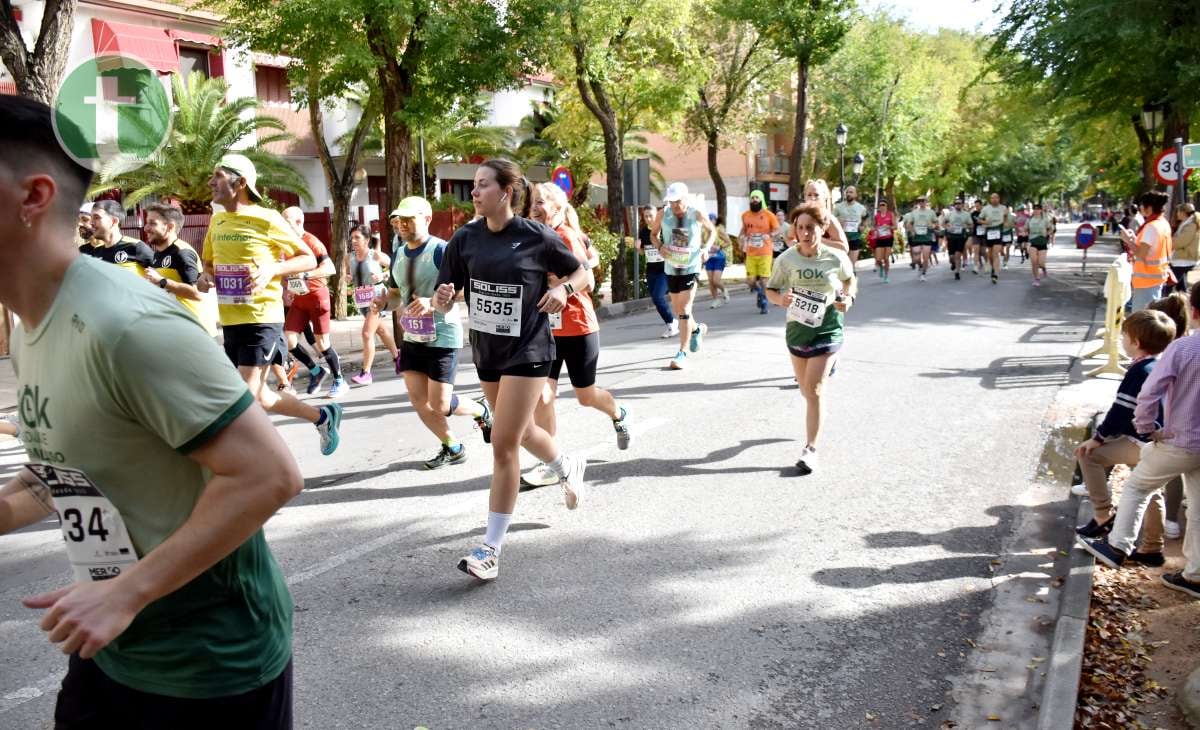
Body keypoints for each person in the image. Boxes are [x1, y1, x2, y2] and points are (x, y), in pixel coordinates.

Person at [0, 94, 299, 729]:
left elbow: (268, 475)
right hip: (112, 642)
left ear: (33, 197)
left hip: (210, 665)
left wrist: (126, 593)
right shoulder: (31, 326)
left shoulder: (126, 325)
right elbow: (61, 473)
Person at [433, 158, 591, 581]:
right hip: (487, 350)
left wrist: (563, 289)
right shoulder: (464, 240)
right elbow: (443, 297)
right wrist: (444, 298)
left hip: (529, 349)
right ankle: (566, 465)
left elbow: (583, 273)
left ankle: (491, 548)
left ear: (506, 192)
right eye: (475, 185)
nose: (475, 192)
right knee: (518, 432)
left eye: (483, 185)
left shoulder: (536, 236)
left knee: (503, 444)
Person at [197, 153, 342, 455]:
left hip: (262, 318)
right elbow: (209, 266)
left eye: (218, 176)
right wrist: (204, 278)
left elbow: (306, 257)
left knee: (243, 397)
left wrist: (272, 269)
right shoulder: (218, 220)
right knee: (261, 396)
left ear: (241, 183)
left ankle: (254, 465)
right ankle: (323, 416)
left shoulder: (268, 219)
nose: (211, 182)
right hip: (232, 319)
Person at [1078, 282, 1200, 600]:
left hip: (1180, 440)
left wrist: (1148, 429)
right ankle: (1194, 573)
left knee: (1138, 486)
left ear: (1195, 311)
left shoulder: (1183, 349)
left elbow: (1148, 395)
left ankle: (1117, 545)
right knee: (1198, 508)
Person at [519, 182, 630, 487]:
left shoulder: (566, 236)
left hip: (578, 326)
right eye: (532, 204)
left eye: (541, 202)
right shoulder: (534, 238)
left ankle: (619, 412)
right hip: (548, 330)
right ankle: (550, 461)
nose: (535, 209)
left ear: (556, 206)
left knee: (586, 396)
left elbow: (589, 282)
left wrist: (561, 281)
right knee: (543, 395)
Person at [380, 196, 493, 470]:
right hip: (412, 337)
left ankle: (481, 410)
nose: (402, 224)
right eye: (399, 219)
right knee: (419, 399)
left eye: (409, 219)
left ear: (427, 219)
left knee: (440, 403)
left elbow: (467, 288)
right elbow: (396, 296)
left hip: (443, 335)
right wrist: (383, 301)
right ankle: (451, 445)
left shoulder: (442, 250)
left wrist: (433, 303)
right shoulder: (398, 254)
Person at [1072, 309, 1176, 567]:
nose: (1122, 340)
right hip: (1160, 441)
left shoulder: (1138, 371)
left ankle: (1102, 515)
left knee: (1089, 456)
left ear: (1136, 343)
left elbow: (1121, 410)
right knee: (1151, 491)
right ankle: (1152, 547)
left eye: (1124, 336)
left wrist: (1098, 437)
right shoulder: (1162, 365)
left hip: (1140, 441)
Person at [764, 202, 857, 475]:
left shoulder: (834, 257)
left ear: (822, 228)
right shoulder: (787, 259)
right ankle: (826, 375)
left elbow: (850, 280)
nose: (804, 233)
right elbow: (771, 289)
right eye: (800, 228)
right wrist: (780, 299)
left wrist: (848, 298)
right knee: (807, 391)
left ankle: (811, 450)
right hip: (797, 331)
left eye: (810, 228)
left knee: (814, 390)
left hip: (827, 329)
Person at [279, 207, 344, 397]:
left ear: (299, 222)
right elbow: (287, 272)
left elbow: (330, 268)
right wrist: (288, 287)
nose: (283, 225)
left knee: (322, 343)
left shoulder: (312, 241)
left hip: (317, 298)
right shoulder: (287, 244)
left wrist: (306, 274)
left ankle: (339, 380)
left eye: (286, 221)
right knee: (288, 340)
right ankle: (316, 371)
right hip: (299, 299)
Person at [654, 182, 718, 367]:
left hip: (691, 266)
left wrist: (706, 248)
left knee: (685, 309)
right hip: (671, 267)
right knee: (679, 309)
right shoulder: (663, 214)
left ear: (685, 198)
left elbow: (711, 231)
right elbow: (653, 234)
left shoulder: (695, 213)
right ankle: (696, 330)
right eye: (671, 201)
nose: (674, 205)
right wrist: (660, 246)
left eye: (677, 201)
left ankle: (681, 353)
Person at [139, 203, 213, 334]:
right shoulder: (158, 254)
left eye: (152, 223)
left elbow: (196, 294)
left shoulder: (182, 252)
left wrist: (162, 281)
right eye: (146, 223)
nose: (146, 228)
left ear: (170, 227)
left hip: (193, 330)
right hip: (173, 328)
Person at [347, 224, 398, 385]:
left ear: (367, 240)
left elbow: (396, 268)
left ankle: (366, 373)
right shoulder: (349, 257)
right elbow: (348, 275)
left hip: (377, 298)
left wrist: (383, 275)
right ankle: (398, 357)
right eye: (352, 237)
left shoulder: (375, 255)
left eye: (357, 237)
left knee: (367, 334)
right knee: (381, 331)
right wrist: (348, 278)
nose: (353, 240)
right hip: (361, 299)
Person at [1121, 190, 1173, 311]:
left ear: (1149, 208)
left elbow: (1141, 254)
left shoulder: (1151, 227)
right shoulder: (1163, 223)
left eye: (1142, 206)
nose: (1140, 209)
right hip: (1157, 276)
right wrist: (1134, 239)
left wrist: (1128, 241)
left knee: (1142, 320)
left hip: (1146, 280)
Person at [740, 189, 780, 314]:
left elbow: (777, 230)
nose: (754, 200)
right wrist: (742, 237)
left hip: (765, 252)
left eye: (757, 198)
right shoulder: (745, 215)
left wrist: (770, 235)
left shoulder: (769, 215)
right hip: (751, 252)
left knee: (764, 279)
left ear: (761, 199)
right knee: (750, 281)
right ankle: (759, 293)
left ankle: (764, 302)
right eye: (752, 198)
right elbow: (743, 230)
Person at [87, 199, 154, 275]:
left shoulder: (136, 246)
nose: (91, 223)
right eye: (91, 218)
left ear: (114, 221)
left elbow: (160, 278)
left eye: (96, 217)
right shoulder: (96, 251)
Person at [639, 205, 677, 338]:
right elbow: (644, 252)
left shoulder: (665, 229)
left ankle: (672, 323)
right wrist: (638, 249)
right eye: (646, 216)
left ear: (657, 215)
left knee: (658, 297)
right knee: (656, 299)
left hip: (665, 270)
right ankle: (671, 324)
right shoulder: (643, 232)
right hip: (651, 270)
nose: (648, 218)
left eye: (651, 215)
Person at [902, 195, 937, 282]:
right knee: (916, 257)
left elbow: (936, 223)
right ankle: (920, 266)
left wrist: (933, 226)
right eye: (920, 201)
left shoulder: (931, 212)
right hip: (916, 237)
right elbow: (909, 224)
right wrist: (912, 230)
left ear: (926, 202)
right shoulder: (914, 212)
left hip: (927, 236)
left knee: (925, 257)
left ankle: (923, 274)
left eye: (923, 201)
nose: (921, 202)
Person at [833, 185, 869, 265]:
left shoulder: (860, 208)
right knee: (842, 263)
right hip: (842, 237)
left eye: (851, 192)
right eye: (847, 192)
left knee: (851, 265)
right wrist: (838, 221)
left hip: (855, 236)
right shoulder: (839, 207)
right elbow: (831, 219)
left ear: (855, 194)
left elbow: (866, 217)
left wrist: (863, 226)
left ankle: (852, 274)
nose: (848, 194)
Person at [979, 192, 1007, 284]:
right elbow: (979, 219)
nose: (994, 199)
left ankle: (996, 274)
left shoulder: (1003, 208)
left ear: (999, 199)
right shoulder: (986, 208)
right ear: (990, 199)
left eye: (996, 198)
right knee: (990, 255)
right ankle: (993, 269)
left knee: (995, 253)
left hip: (999, 231)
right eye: (992, 198)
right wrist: (985, 222)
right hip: (989, 232)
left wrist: (1005, 223)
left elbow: (1006, 217)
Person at [705, 213, 733, 307]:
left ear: (715, 221)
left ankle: (724, 290)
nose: (709, 221)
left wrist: (719, 247)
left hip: (719, 258)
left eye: (711, 219)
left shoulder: (719, 230)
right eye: (708, 219)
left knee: (715, 280)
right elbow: (700, 242)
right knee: (710, 281)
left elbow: (728, 242)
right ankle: (716, 300)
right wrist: (705, 247)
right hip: (708, 258)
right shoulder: (704, 230)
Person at [1170, 203, 1198, 294]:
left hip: (1184, 259)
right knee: (1180, 287)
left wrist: (1170, 243)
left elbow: (1180, 242)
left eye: (1178, 211)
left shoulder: (1191, 225)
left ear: (1183, 212)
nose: (1177, 214)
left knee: (1169, 284)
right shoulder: (1187, 223)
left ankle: (1164, 303)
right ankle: (1185, 303)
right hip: (1183, 258)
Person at [942, 198, 972, 280]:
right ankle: (953, 263)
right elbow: (943, 223)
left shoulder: (966, 214)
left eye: (959, 203)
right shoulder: (950, 214)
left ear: (962, 205)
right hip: (951, 236)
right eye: (956, 203)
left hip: (961, 237)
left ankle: (957, 272)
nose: (958, 205)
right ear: (954, 205)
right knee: (952, 257)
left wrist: (967, 226)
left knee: (958, 255)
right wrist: (948, 227)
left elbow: (971, 225)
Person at [869, 200, 896, 282]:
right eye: (880, 205)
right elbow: (873, 227)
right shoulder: (877, 216)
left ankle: (886, 276)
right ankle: (881, 268)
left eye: (883, 205)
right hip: (879, 239)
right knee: (878, 259)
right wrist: (874, 230)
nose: (882, 206)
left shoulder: (890, 214)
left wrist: (888, 227)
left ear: (886, 206)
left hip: (888, 238)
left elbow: (895, 226)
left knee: (886, 258)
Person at [1026, 202, 1051, 286]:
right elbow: (1025, 229)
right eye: (1035, 209)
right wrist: (1023, 232)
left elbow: (1051, 229)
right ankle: (1036, 278)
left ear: (1041, 210)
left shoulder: (1045, 219)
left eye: (1038, 209)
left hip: (1042, 242)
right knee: (1033, 261)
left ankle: (1043, 268)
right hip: (1032, 242)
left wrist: (1047, 234)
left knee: (1041, 263)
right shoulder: (1029, 219)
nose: (1036, 210)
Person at [969, 199, 985, 275]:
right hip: (976, 234)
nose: (977, 207)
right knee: (976, 251)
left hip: (984, 235)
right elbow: (971, 223)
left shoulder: (986, 213)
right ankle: (975, 267)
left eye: (978, 206)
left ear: (981, 205)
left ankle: (987, 263)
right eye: (976, 206)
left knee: (983, 252)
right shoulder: (973, 214)